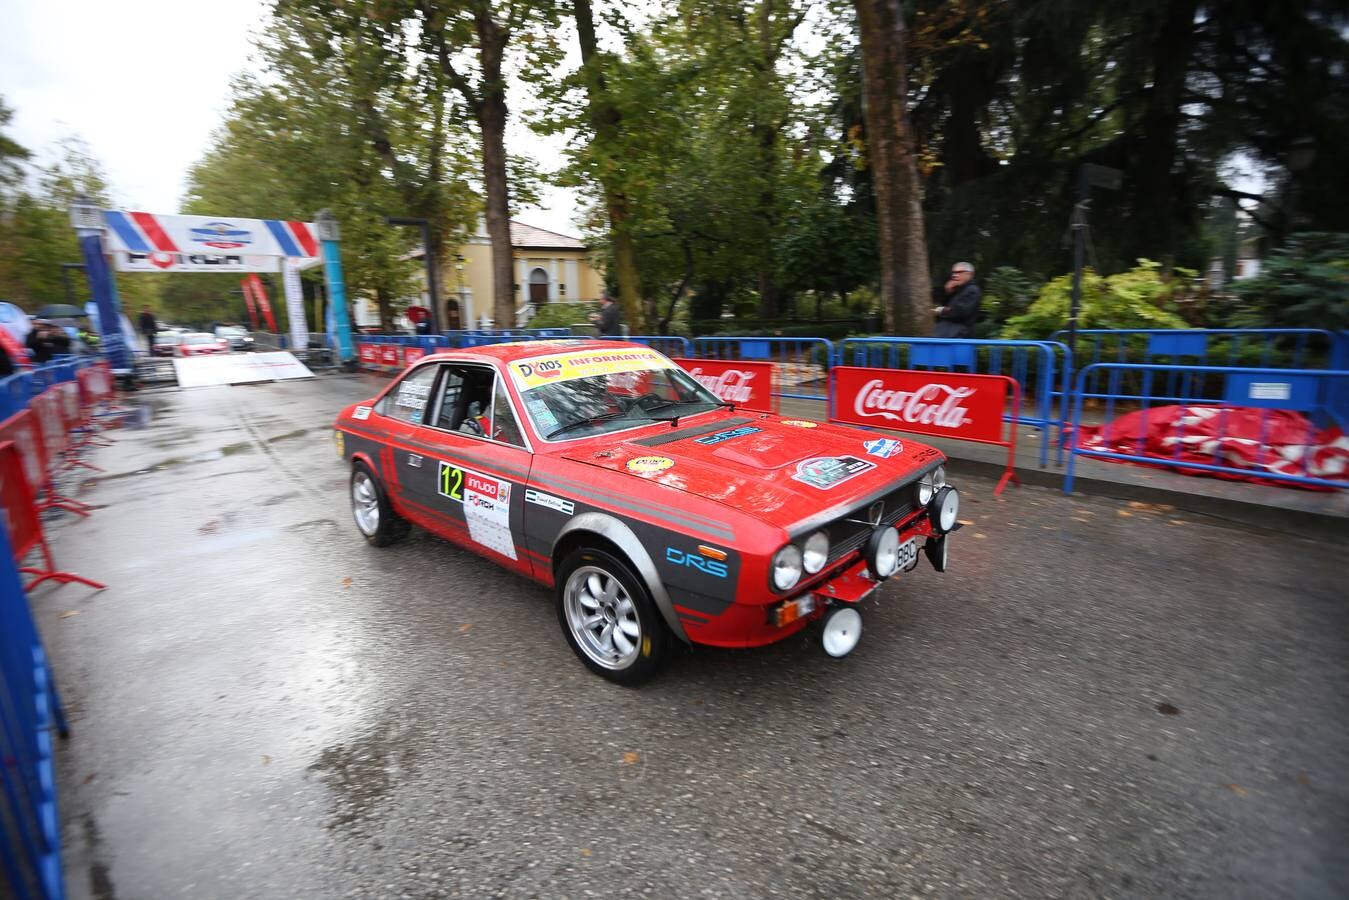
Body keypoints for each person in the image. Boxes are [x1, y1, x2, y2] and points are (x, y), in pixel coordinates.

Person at [934, 261, 981, 338]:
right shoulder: (958, 289)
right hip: (947, 334)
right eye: (953, 273)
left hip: (960, 336)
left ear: (969, 274)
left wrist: (941, 310)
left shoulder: (972, 290)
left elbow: (961, 312)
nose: (954, 275)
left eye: (959, 272)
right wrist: (948, 292)